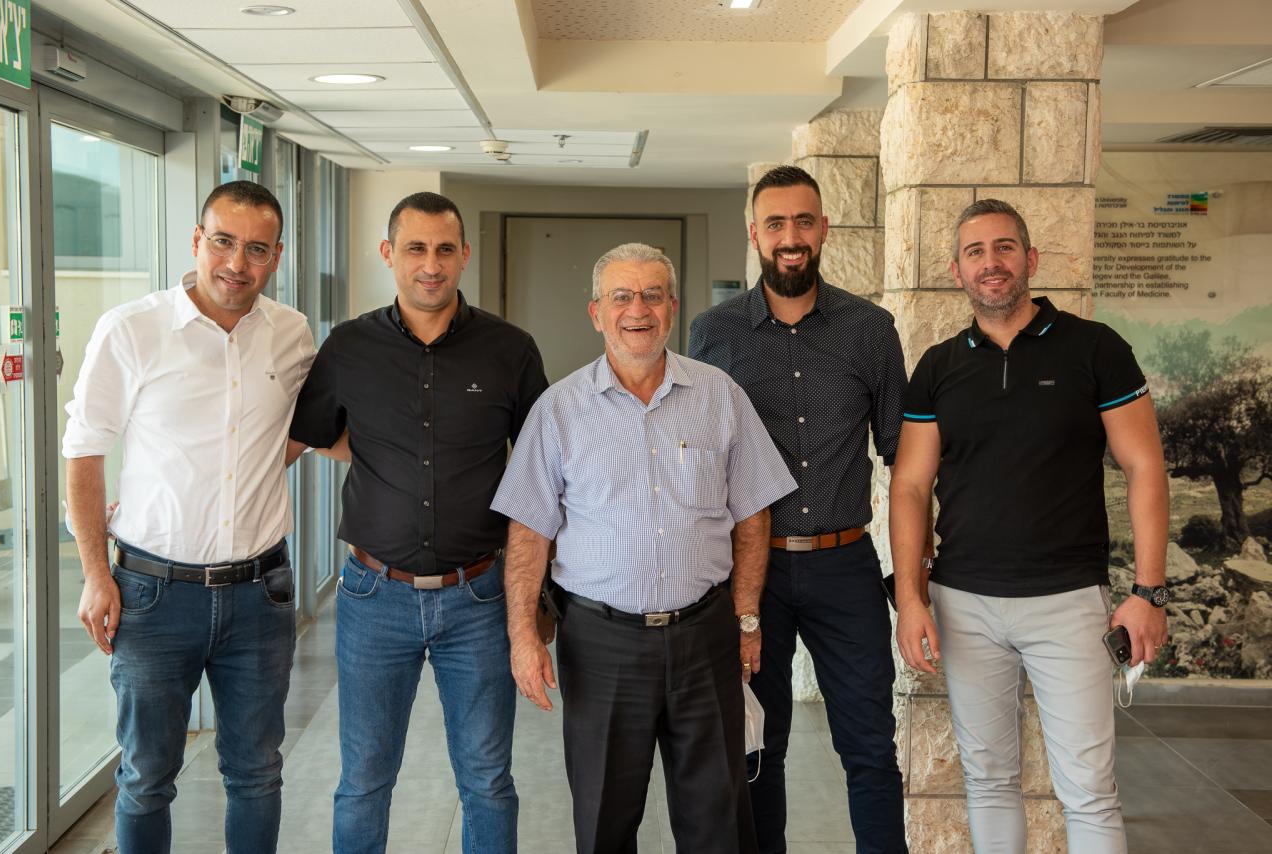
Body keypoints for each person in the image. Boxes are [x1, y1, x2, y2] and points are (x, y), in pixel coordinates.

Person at [492, 242, 796, 854]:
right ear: (596, 313)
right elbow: (528, 532)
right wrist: (523, 637)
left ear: (673, 308)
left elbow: (753, 515)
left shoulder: (720, 396)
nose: (638, 310)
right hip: (600, 643)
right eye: (622, 297)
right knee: (604, 823)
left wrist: (746, 618)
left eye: (652, 296)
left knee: (718, 823)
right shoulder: (558, 410)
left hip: (705, 637)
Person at [890, 198, 1170, 853]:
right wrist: (910, 598)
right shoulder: (938, 367)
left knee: (1089, 790)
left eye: (1004, 247)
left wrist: (1149, 591)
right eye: (975, 252)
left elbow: (1145, 466)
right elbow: (909, 486)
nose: (991, 263)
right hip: (964, 603)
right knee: (988, 779)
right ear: (957, 271)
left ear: (1030, 259)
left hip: (1068, 601)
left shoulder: (1095, 349)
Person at [288, 191, 547, 854]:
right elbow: (314, 434)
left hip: (479, 596)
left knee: (487, 781)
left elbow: (542, 468)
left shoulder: (510, 350)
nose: (430, 265)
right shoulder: (348, 347)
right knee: (364, 781)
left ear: (464, 255)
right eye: (415, 249)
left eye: (443, 250)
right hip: (374, 596)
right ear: (388, 254)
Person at [64, 180, 316, 853]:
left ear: (277, 256)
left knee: (257, 772)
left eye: (257, 249)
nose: (237, 263)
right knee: (147, 776)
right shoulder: (132, 329)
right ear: (197, 241)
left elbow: (294, 433)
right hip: (152, 596)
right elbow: (84, 453)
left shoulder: (291, 335)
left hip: (260, 595)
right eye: (224, 242)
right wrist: (96, 574)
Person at [689, 164, 911, 854]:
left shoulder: (870, 330)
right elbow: (701, 463)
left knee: (870, 745)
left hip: (847, 568)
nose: (791, 236)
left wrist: (915, 576)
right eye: (776, 223)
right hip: (752, 577)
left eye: (804, 221)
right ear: (755, 233)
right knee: (760, 747)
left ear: (824, 230)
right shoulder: (713, 334)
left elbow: (904, 458)